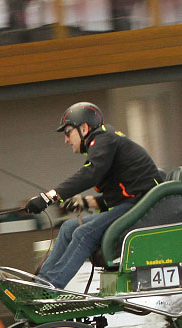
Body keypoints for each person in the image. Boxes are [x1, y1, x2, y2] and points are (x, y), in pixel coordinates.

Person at [24, 101, 161, 289]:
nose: (66, 140)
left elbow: (90, 173)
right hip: (133, 204)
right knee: (68, 227)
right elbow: (118, 195)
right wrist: (86, 202)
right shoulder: (105, 142)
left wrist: (49, 197)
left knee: (83, 233)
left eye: (68, 132)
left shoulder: (104, 139)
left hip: (143, 207)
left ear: (84, 128)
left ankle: (51, 287)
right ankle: (40, 283)